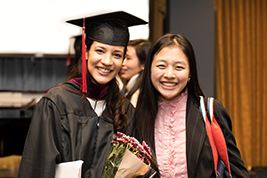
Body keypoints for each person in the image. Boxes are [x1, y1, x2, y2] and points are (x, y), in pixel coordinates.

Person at [17, 11, 147, 178]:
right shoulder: (56, 103)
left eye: (117, 55)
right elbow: (38, 169)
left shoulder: (126, 110)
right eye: (100, 51)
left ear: (122, 60)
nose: (107, 61)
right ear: (86, 52)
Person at [134, 33, 249, 178]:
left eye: (179, 67)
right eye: (161, 66)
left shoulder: (210, 111)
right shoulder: (136, 116)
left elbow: (237, 171)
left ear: (190, 73)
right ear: (149, 69)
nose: (169, 74)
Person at [120, 39, 151, 107]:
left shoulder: (140, 94)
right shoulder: (131, 88)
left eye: (128, 58)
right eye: (122, 57)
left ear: (144, 64)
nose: (122, 63)